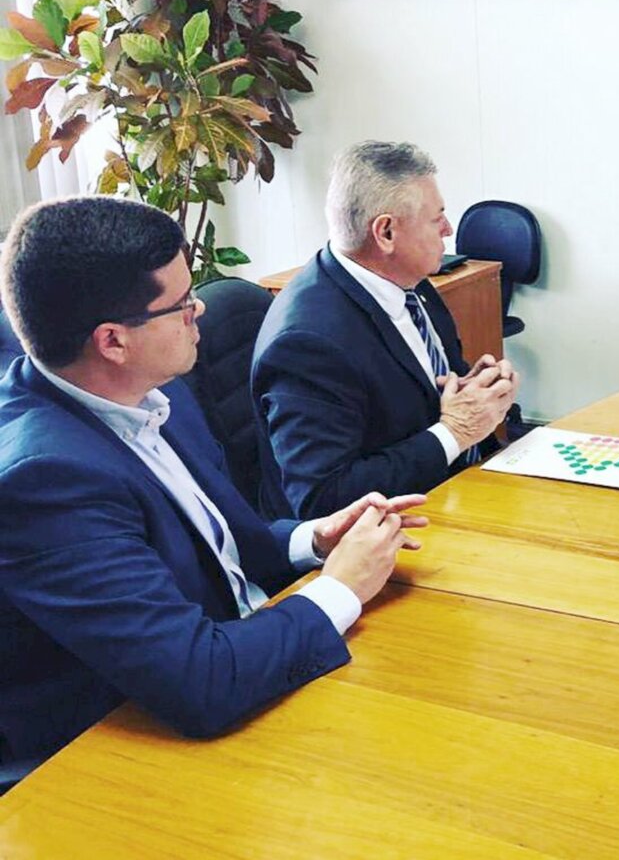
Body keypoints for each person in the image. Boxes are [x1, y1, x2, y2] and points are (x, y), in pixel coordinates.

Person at [0, 196, 427, 772]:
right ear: (112, 341)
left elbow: (221, 544)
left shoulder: (152, 389)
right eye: (179, 304)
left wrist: (315, 541)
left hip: (239, 662)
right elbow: (198, 682)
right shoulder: (45, 481)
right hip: (116, 753)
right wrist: (342, 588)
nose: (198, 310)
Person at [252, 140, 518, 519]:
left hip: (458, 490)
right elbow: (322, 500)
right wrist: (454, 433)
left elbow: (437, 388)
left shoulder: (412, 283)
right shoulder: (307, 343)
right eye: (436, 218)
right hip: (386, 535)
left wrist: (482, 390)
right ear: (386, 233)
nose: (448, 228)